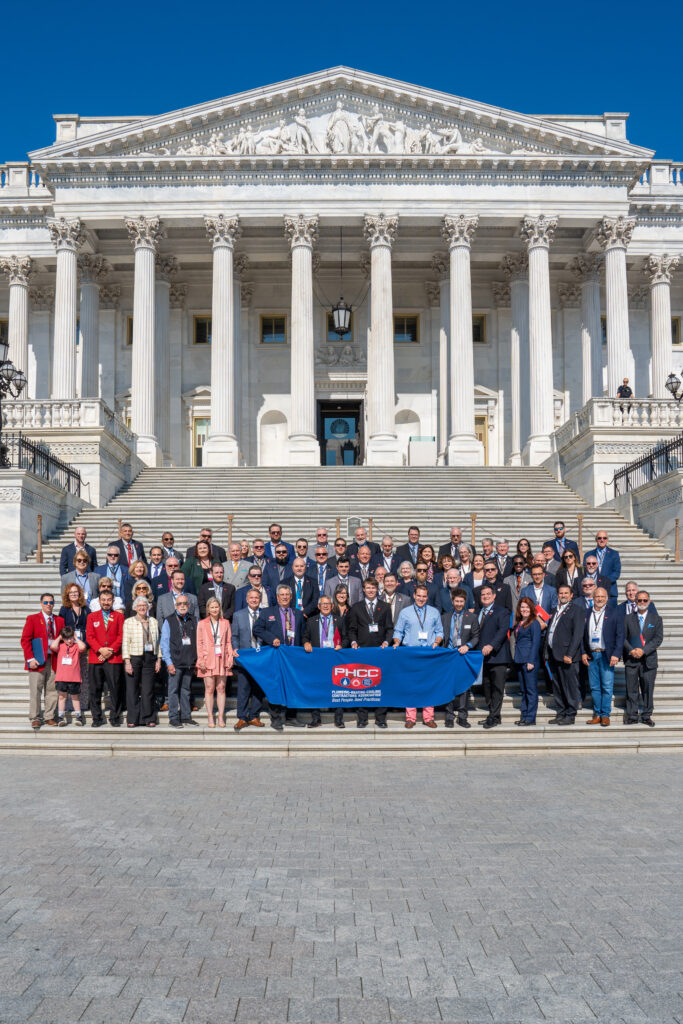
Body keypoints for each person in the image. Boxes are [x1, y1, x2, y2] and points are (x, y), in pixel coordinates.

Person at [253, 584, 305, 730]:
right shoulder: (267, 612)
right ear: (277, 597)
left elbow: (304, 634)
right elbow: (257, 629)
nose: (284, 597)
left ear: (291, 596)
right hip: (276, 656)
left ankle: (291, 717)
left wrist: (305, 643)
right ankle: (275, 718)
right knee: (275, 687)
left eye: (287, 594)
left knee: (292, 687)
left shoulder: (298, 614)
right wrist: (271, 638)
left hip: (293, 658)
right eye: (282, 595)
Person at [393, 583, 443, 728]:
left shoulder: (434, 612)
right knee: (411, 686)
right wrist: (396, 642)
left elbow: (439, 632)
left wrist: (437, 642)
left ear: (427, 597)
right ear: (414, 596)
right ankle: (410, 718)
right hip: (411, 653)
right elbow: (398, 632)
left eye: (424, 596)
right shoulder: (405, 612)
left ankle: (428, 718)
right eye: (419, 596)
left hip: (429, 653)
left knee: (429, 685)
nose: (421, 598)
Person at [346, 577, 393, 729]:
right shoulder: (356, 607)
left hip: (380, 651)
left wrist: (387, 642)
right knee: (362, 685)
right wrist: (353, 642)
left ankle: (381, 718)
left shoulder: (385, 606)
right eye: (368, 587)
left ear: (377, 590)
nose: (371, 590)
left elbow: (389, 628)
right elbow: (352, 629)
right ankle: (362, 718)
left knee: (382, 684)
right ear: (364, 589)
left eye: (374, 587)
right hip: (362, 652)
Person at [581, 586, 624, 727]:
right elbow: (581, 636)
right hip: (592, 655)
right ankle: (597, 714)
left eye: (602, 597)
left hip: (607, 655)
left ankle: (605, 715)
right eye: (597, 596)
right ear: (593, 598)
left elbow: (620, 635)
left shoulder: (614, 613)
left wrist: (616, 654)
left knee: (606, 686)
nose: (599, 599)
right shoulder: (586, 613)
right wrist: (583, 652)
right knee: (594, 687)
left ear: (607, 598)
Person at [21, 594, 64, 729]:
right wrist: (30, 659)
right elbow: (25, 640)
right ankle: (35, 717)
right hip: (38, 660)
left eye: (51, 602)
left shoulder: (59, 620)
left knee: (52, 690)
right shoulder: (33, 619)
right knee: (36, 690)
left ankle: (49, 716)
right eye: (46, 602)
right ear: (41, 603)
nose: (48, 604)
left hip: (54, 660)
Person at [545, 584, 585, 725]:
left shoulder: (577, 610)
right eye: (561, 593)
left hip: (567, 656)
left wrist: (570, 654)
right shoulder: (554, 610)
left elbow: (577, 635)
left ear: (571, 595)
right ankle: (561, 712)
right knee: (558, 686)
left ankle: (570, 714)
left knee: (570, 686)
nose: (563, 595)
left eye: (566, 593)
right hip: (553, 655)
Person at [305, 595, 347, 729]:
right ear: (318, 606)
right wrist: (306, 642)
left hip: (335, 659)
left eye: (328, 603)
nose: (325, 606)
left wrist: (342, 645)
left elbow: (346, 637)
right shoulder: (311, 621)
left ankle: (339, 719)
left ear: (332, 606)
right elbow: (305, 636)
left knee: (337, 689)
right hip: (317, 660)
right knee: (315, 689)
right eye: (323, 604)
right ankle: (315, 719)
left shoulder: (339, 620)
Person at [623, 590, 663, 726]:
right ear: (635, 602)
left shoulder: (656, 619)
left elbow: (658, 639)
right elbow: (623, 638)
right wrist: (632, 650)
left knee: (648, 689)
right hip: (632, 659)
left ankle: (646, 715)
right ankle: (632, 715)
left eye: (645, 600)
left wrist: (643, 650)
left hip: (648, 661)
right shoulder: (627, 618)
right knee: (631, 689)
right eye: (639, 600)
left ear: (649, 602)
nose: (642, 603)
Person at [441, 588, 480, 728]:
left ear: (465, 602)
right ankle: (449, 716)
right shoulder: (445, 617)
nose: (458, 603)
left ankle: (462, 716)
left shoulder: (472, 617)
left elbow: (476, 636)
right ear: (452, 601)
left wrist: (468, 645)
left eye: (461, 601)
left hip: (463, 655)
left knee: (464, 686)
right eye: (456, 601)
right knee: (449, 685)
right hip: (449, 655)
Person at [86, 587, 124, 728]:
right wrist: (101, 650)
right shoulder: (92, 617)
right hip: (96, 658)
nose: (106, 602)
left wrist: (110, 650)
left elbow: (121, 636)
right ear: (99, 601)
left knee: (115, 689)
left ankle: (115, 717)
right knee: (95, 689)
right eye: (103, 600)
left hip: (114, 658)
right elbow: (90, 636)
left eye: (109, 600)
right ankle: (96, 717)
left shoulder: (119, 616)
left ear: (113, 601)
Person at [159, 594, 199, 729]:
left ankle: (186, 716)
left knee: (186, 690)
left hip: (189, 662)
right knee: (173, 691)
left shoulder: (194, 620)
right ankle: (174, 718)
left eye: (185, 604)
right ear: (175, 606)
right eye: (179, 604)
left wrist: (197, 660)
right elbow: (164, 643)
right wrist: (168, 662)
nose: (182, 606)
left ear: (189, 605)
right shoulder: (169, 620)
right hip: (175, 663)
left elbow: (198, 642)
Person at [231, 588, 267, 731]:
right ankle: (242, 717)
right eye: (251, 598)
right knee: (243, 688)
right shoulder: (238, 615)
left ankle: (254, 716)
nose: (254, 600)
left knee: (258, 688)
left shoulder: (265, 614)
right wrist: (235, 648)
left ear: (260, 599)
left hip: (261, 657)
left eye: (256, 598)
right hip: (245, 657)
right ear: (246, 600)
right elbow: (234, 636)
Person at [476, 584, 511, 729]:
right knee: (487, 687)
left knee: (497, 688)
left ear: (494, 595)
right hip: (482, 658)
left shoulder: (501, 611)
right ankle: (493, 714)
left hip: (498, 656)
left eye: (488, 594)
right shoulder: (478, 612)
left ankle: (494, 716)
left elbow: (503, 630)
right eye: (483, 594)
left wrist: (491, 645)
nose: (485, 596)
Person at [122, 596, 160, 728]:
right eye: (139, 606)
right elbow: (125, 642)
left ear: (148, 607)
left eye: (144, 605)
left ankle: (148, 717)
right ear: (135, 608)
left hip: (150, 658)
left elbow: (158, 642)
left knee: (148, 690)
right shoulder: (129, 622)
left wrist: (159, 660)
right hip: (134, 657)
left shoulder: (154, 621)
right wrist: (127, 661)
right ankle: (132, 718)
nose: (142, 607)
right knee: (132, 689)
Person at [196, 596, 234, 728]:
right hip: (207, 658)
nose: (214, 609)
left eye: (216, 607)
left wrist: (230, 657)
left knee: (221, 688)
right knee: (209, 688)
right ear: (208, 609)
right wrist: (200, 659)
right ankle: (210, 716)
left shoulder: (225, 623)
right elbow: (199, 643)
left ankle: (221, 716)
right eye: (212, 607)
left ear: (220, 608)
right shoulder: (202, 624)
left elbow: (229, 642)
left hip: (222, 658)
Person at [512, 598, 542, 726]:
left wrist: (531, 660)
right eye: (522, 607)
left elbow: (536, 643)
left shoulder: (534, 622)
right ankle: (524, 715)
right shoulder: (520, 622)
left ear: (531, 609)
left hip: (529, 660)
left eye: (527, 607)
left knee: (531, 690)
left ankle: (530, 718)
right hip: (520, 659)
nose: (524, 609)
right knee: (524, 690)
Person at [50, 626, 87, 726]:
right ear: (63, 638)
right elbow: (53, 646)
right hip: (62, 678)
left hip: (74, 678)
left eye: (70, 638)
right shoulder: (61, 646)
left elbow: (83, 647)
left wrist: (75, 638)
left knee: (75, 697)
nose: (69, 640)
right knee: (62, 697)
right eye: (67, 638)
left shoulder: (76, 646)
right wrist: (59, 637)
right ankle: (61, 717)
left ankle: (78, 717)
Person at [584, 531, 621, 601]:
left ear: (607, 539)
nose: (602, 540)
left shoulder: (614, 554)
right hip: (591, 592)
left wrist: (602, 582)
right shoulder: (588, 554)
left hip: (610, 592)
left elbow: (616, 573)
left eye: (604, 538)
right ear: (596, 539)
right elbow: (585, 572)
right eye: (599, 538)